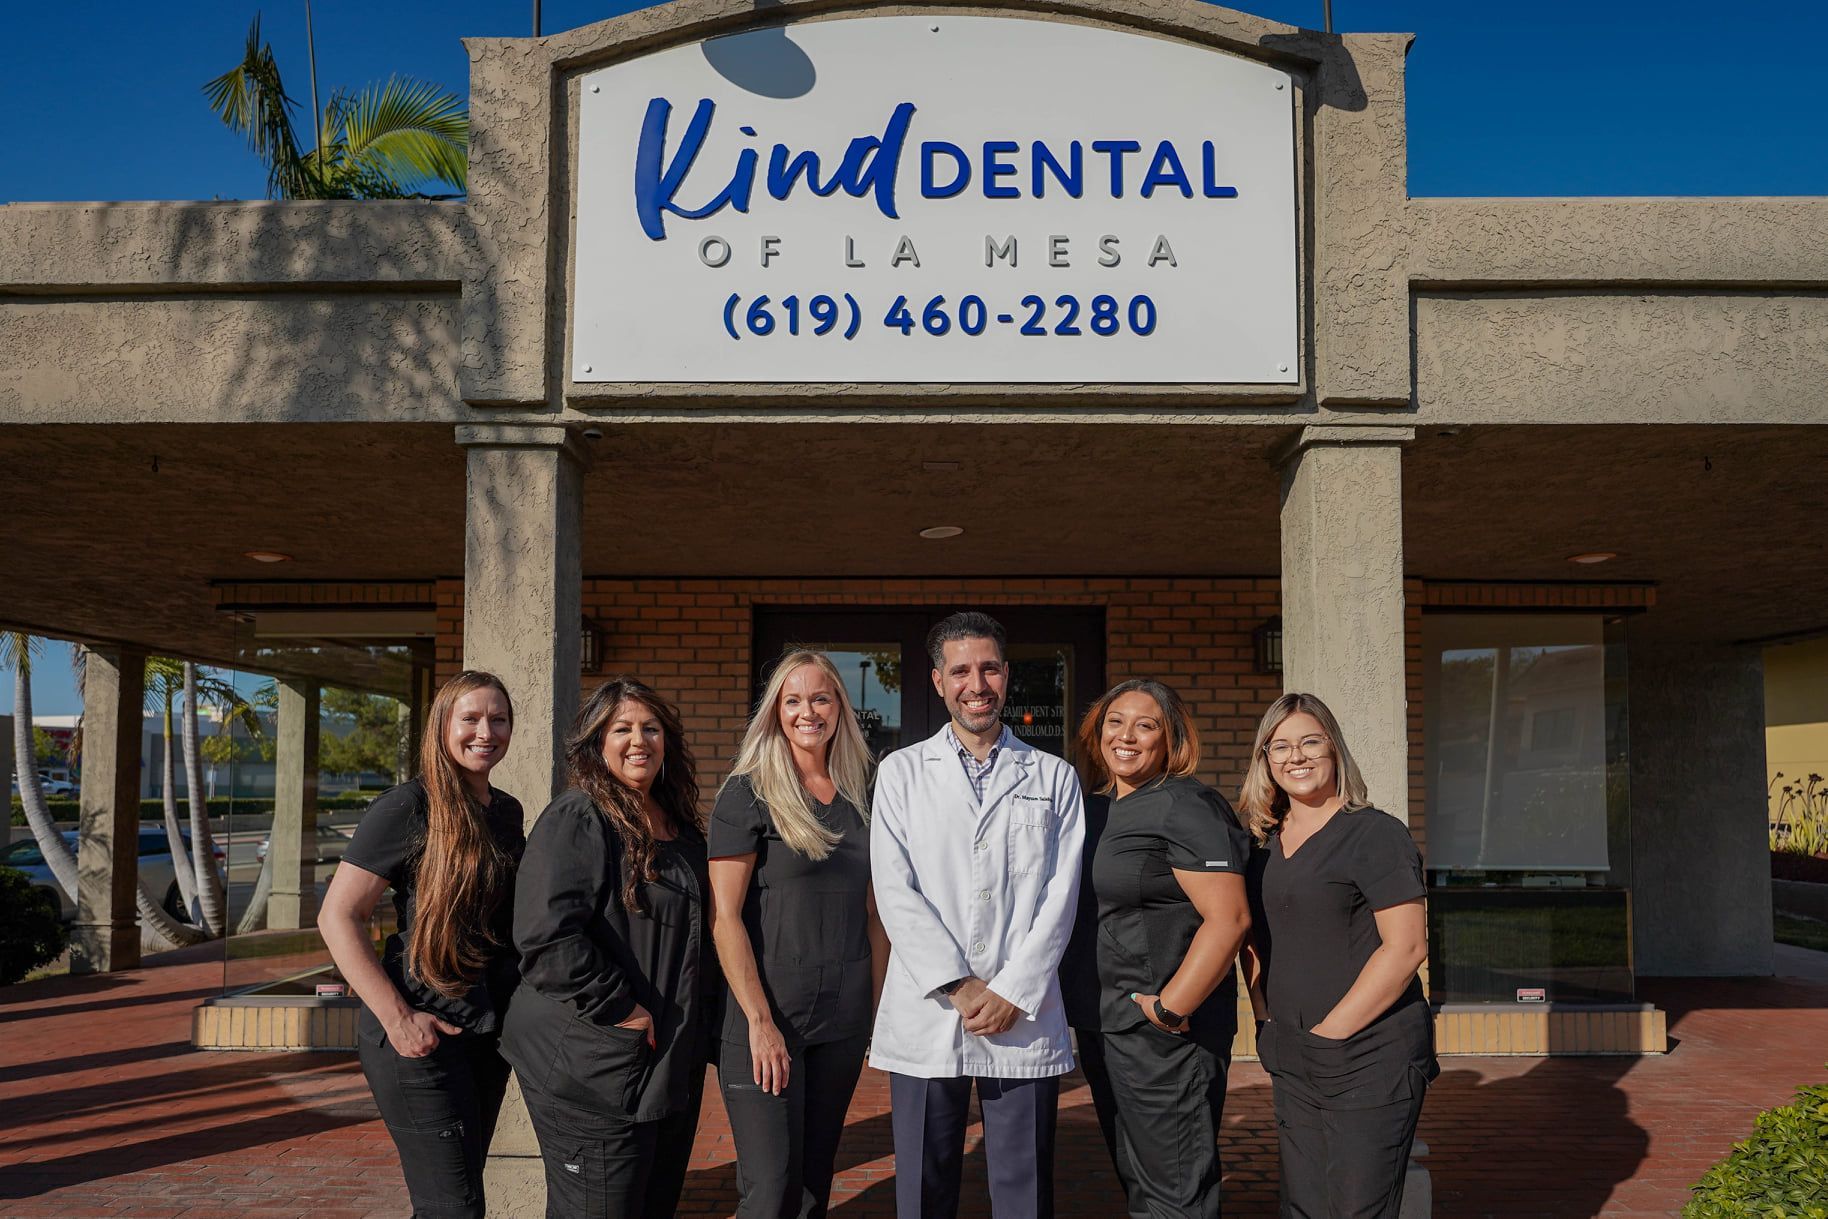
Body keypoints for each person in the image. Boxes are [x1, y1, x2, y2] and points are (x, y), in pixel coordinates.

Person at [869, 611, 1086, 1219]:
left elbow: (1060, 897)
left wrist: (1013, 991)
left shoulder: (1053, 776)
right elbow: (895, 890)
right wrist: (961, 987)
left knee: (1023, 1189)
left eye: (989, 668)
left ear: (1007, 675)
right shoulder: (901, 773)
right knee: (922, 1188)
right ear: (938, 681)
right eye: (960, 670)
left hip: (1022, 1011)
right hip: (932, 1005)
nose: (977, 683)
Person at [500, 678, 712, 1219]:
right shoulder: (580, 816)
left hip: (661, 1063)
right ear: (597, 743)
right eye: (621, 729)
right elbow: (546, 938)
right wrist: (624, 1011)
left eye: (650, 728)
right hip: (590, 1059)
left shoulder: (679, 829)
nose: (638, 740)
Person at [319, 670, 524, 1219]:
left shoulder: (505, 812)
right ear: (442, 726)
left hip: (482, 1031)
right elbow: (339, 915)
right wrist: (398, 1019)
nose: (487, 731)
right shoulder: (407, 806)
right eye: (472, 718)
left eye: (498, 719)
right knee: (452, 1207)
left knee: (454, 1201)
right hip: (419, 1031)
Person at [1057, 679, 1252, 1219]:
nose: (1127, 736)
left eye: (1147, 725)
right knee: (1140, 1182)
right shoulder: (1095, 809)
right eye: (1115, 722)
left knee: (1175, 1192)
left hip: (1166, 1033)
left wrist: (1172, 1007)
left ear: (1171, 739)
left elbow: (1230, 917)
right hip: (1105, 1023)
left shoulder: (1187, 806)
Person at [708, 649, 891, 1219]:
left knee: (814, 1187)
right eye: (793, 700)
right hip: (769, 1019)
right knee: (770, 1192)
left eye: (821, 697)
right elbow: (725, 918)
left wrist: (877, 1009)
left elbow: (875, 913)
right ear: (775, 712)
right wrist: (760, 1025)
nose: (807, 711)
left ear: (840, 707)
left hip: (842, 1019)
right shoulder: (749, 792)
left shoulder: (865, 792)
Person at [1239, 692, 1436, 1219]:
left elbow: (1407, 946)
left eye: (1310, 742)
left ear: (1334, 750)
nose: (1295, 757)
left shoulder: (1374, 833)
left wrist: (1331, 1034)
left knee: (1357, 1208)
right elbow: (1253, 941)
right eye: (1279, 746)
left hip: (1371, 1053)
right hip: (1292, 1050)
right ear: (1265, 760)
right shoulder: (1262, 845)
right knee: (1303, 1207)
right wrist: (1265, 1020)